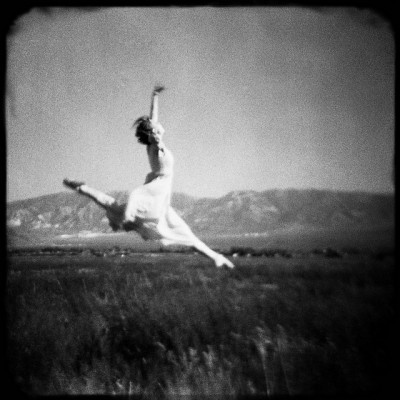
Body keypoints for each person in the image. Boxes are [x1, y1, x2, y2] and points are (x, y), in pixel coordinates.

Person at [63, 86, 234, 269]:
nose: (158, 125)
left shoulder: (152, 143)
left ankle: (216, 257)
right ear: (152, 133)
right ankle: (119, 208)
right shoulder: (156, 144)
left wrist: (155, 96)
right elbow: (153, 129)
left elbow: (153, 119)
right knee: (165, 221)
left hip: (161, 192)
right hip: (159, 187)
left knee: (180, 230)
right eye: (154, 128)